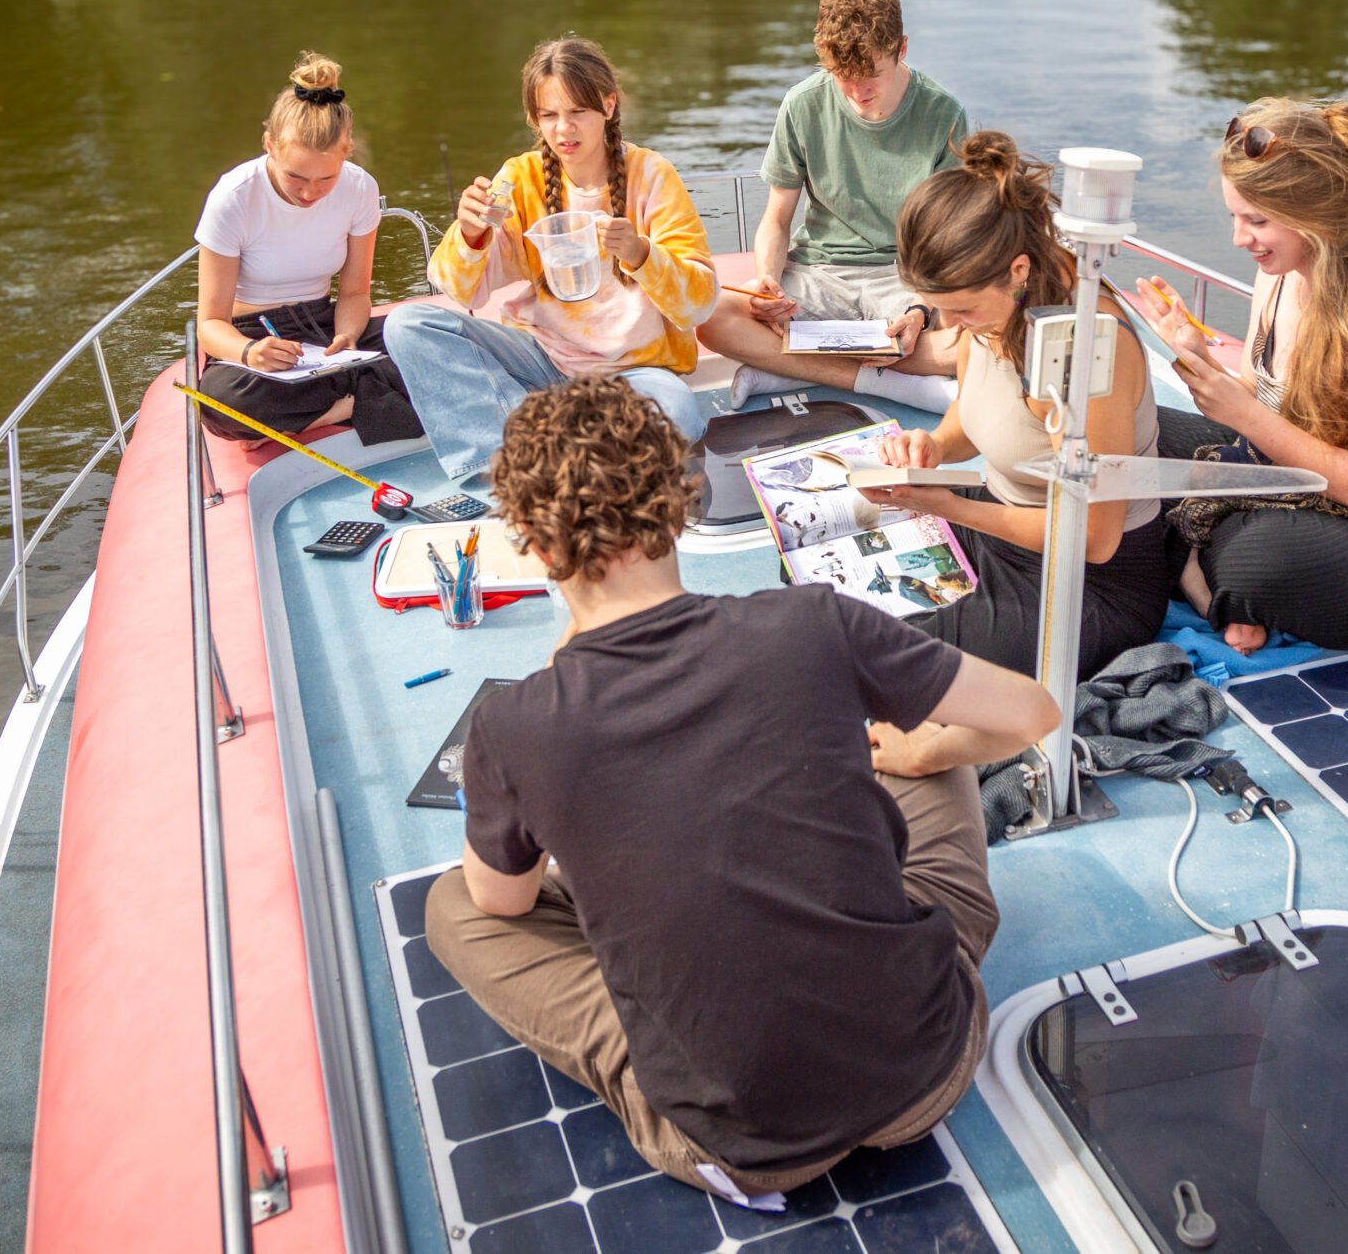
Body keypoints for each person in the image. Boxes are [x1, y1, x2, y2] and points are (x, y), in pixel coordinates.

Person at [423, 377, 1059, 1203]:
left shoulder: (514, 727)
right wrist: (923, 750)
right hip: (928, 1067)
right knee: (927, 741)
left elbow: (502, 901)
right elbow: (1033, 713)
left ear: (539, 549)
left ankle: (687, 1031)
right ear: (678, 509)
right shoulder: (814, 621)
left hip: (741, 1142)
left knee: (453, 905)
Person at [1132, 98, 1348, 655]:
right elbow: (1257, 402)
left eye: (1257, 220)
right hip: (1298, 487)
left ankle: (1201, 569)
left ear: (1315, 215)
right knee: (1135, 434)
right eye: (1236, 217)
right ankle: (1208, 576)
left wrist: (1243, 416)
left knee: (1251, 556)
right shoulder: (1279, 276)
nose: (1240, 238)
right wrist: (1197, 358)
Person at [870, 132, 1173, 678]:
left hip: (1094, 581)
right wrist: (932, 446)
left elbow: (1094, 538)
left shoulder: (1083, 347)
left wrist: (949, 507)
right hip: (999, 524)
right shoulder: (990, 310)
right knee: (829, 581)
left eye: (961, 309)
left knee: (900, 660)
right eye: (940, 308)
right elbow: (971, 415)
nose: (949, 325)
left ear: (1018, 270)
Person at [383, 37, 717, 484]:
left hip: (633, 374)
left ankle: (537, 442)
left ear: (609, 105)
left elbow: (699, 304)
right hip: (539, 361)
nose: (564, 130)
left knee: (676, 413)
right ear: (533, 118)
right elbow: (462, 291)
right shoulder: (519, 178)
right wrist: (469, 233)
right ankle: (521, 461)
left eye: (578, 111)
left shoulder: (652, 174)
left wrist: (641, 254)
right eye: (549, 115)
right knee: (407, 325)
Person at [697, 0, 967, 415]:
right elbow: (777, 219)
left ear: (901, 49)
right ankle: (891, 383)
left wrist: (919, 309)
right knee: (712, 318)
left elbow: (947, 241)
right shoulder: (802, 104)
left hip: (905, 277)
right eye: (842, 77)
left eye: (871, 75)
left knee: (976, 340)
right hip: (817, 274)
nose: (858, 93)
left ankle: (786, 369)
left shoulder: (944, 114)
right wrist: (767, 284)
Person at [192, 51, 420, 445]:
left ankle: (321, 413)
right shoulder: (233, 197)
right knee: (220, 401)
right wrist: (250, 353)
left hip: (325, 326)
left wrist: (347, 338)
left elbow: (354, 293)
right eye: (296, 176)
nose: (310, 193)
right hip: (253, 333)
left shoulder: (360, 187)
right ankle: (364, 399)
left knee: (430, 342)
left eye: (326, 179)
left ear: (346, 152)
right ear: (269, 145)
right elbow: (210, 324)